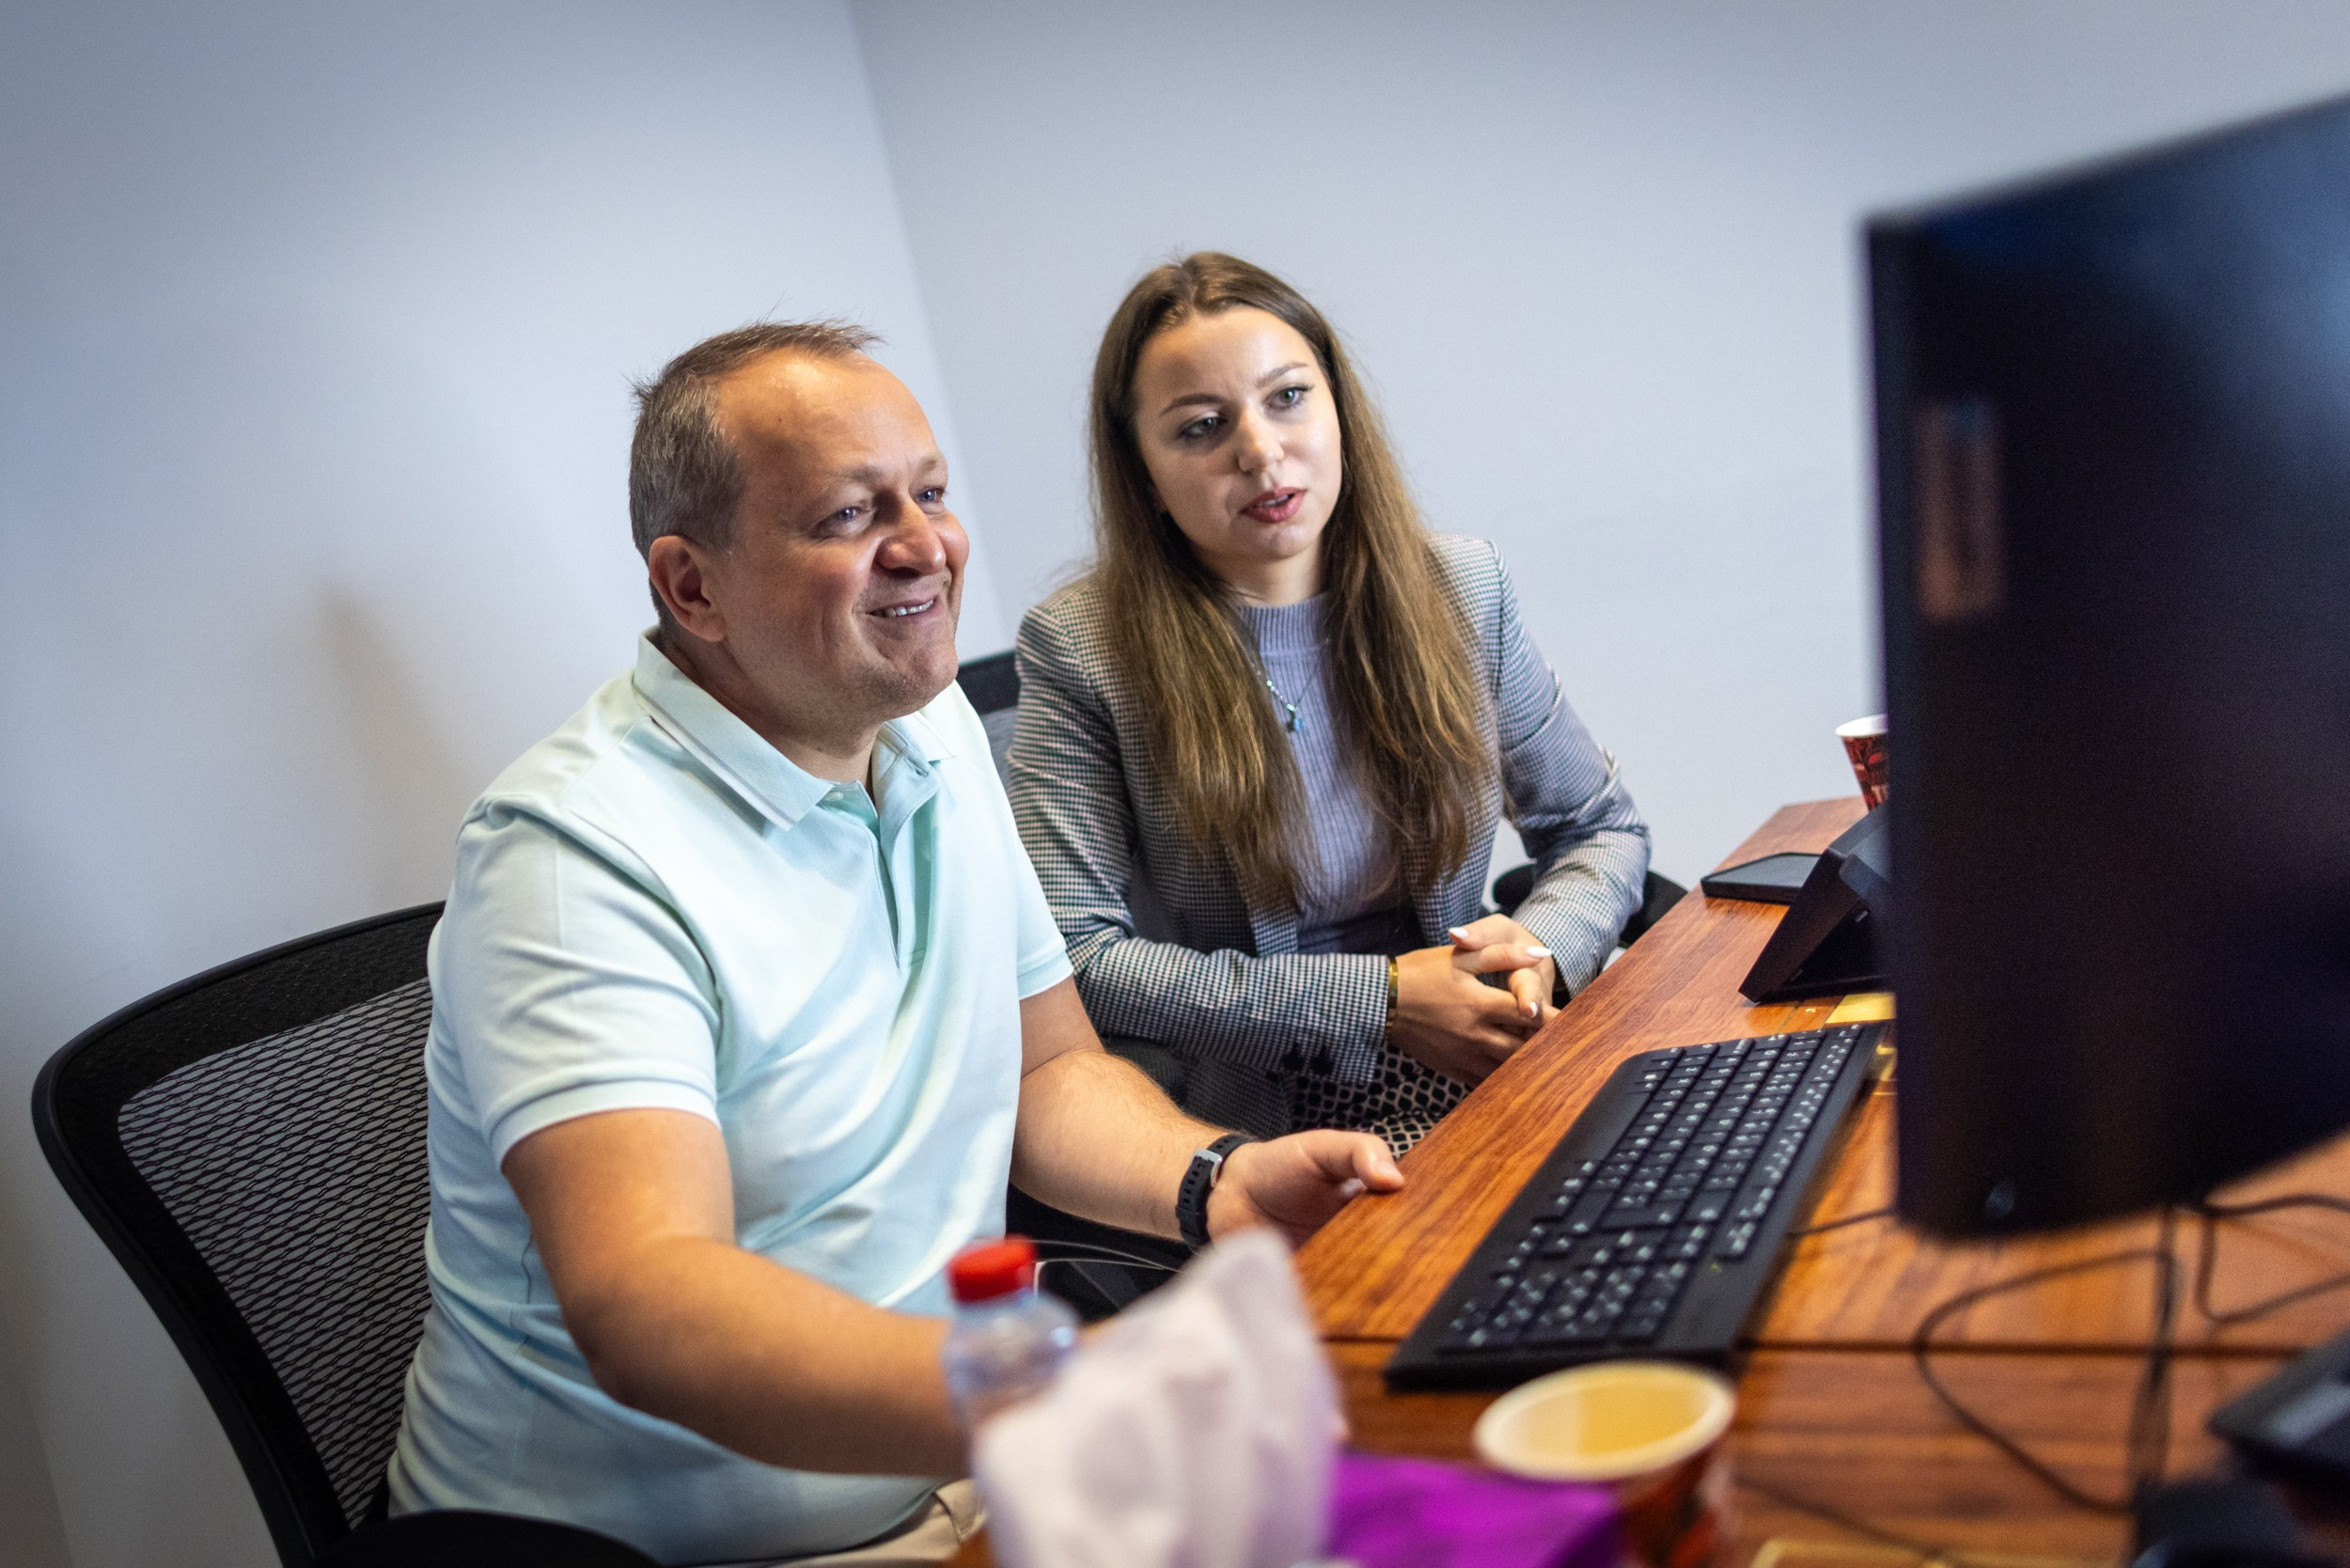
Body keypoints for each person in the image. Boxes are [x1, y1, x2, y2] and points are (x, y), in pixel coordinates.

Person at [385, 321, 1402, 1567]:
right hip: (688, 1546)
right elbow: (648, 1301)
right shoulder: (572, 853)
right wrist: (1055, 1400)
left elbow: (1047, 1073)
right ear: (690, 586)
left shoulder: (928, 728)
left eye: (928, 493)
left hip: (972, 1474)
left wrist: (1219, 1180)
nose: (926, 547)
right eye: (848, 517)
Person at [1010, 254, 1650, 1154]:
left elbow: (1600, 829)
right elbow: (1075, 956)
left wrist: (1534, 959)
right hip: (1278, 1119)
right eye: (1200, 428)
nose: (1262, 452)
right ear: (1143, 472)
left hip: (1503, 1055)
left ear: (1338, 406)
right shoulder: (1084, 651)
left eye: (1287, 398)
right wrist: (1382, 1003)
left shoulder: (1462, 588)